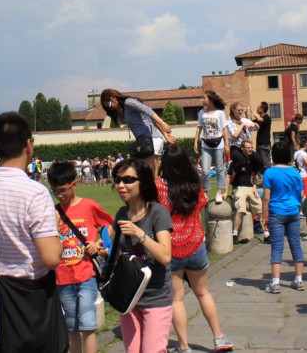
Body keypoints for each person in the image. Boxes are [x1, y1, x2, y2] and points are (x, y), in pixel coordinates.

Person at [0, 112, 65, 353]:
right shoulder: (35, 193)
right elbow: (51, 258)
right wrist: (55, 230)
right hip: (31, 321)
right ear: (28, 145)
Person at [157, 144, 233, 353]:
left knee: (177, 299)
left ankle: (183, 346)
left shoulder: (160, 188)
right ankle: (219, 337)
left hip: (171, 247)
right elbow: (201, 205)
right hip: (195, 243)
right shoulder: (195, 185)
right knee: (203, 293)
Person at [109, 158, 173, 353]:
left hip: (156, 297)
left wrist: (140, 234)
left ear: (143, 182)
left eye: (128, 180)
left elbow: (165, 256)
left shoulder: (158, 213)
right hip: (129, 297)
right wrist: (100, 248)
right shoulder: (121, 214)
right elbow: (110, 249)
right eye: (117, 180)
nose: (121, 185)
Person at [48, 161, 114, 353]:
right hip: (63, 277)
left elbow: (111, 224)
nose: (60, 195)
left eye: (63, 190)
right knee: (71, 327)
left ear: (74, 185)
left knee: (88, 325)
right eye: (55, 191)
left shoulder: (88, 206)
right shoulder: (54, 212)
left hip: (86, 275)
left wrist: (100, 243)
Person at [262, 140, 306, 293]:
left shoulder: (269, 173)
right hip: (293, 211)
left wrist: (263, 216)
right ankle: (298, 280)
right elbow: (300, 193)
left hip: (276, 212)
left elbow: (266, 197)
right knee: (296, 245)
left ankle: (275, 283)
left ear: (273, 156)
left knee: (277, 247)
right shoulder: (295, 172)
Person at [101, 89, 176, 165]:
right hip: (148, 140)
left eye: (109, 105)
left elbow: (148, 110)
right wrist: (165, 135)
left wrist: (162, 123)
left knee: (148, 173)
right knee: (150, 174)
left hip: (149, 140)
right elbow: (150, 119)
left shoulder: (128, 102)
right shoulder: (125, 108)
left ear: (113, 98)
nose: (110, 108)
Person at [195, 91, 229, 203]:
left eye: (204, 98)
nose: (202, 100)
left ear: (210, 100)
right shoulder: (201, 113)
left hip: (218, 143)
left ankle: (219, 191)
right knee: (205, 170)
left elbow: (224, 129)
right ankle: (205, 191)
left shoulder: (220, 113)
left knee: (220, 169)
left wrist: (227, 144)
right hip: (205, 143)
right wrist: (196, 141)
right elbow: (199, 127)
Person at [229, 139, 265, 243]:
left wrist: (254, 187)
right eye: (248, 148)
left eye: (251, 147)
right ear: (242, 148)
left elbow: (254, 176)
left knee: (260, 208)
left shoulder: (253, 161)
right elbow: (229, 175)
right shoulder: (237, 162)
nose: (250, 150)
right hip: (239, 187)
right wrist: (228, 188)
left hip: (250, 187)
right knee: (241, 210)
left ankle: (266, 232)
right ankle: (234, 233)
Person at [249, 102, 273, 169]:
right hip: (259, 144)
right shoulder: (258, 120)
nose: (257, 108)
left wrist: (253, 112)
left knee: (266, 163)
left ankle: (268, 176)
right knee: (259, 162)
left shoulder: (267, 118)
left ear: (262, 109)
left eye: (259, 107)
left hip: (264, 144)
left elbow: (260, 119)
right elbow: (250, 122)